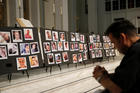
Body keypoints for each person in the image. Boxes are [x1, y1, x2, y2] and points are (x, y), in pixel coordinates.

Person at [93, 20, 140, 93]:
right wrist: (107, 76)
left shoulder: (135, 52)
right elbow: (129, 78)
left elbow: (118, 89)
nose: (114, 47)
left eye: (113, 42)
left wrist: (100, 78)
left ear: (122, 38)